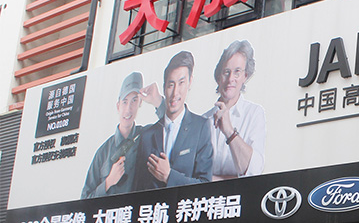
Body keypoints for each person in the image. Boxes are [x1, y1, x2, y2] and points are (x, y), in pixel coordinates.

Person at [137, 51, 214, 190]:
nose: (175, 93)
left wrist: (169, 176)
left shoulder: (201, 127)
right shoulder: (147, 136)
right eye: (171, 85)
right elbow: (138, 189)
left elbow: (205, 184)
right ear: (164, 87)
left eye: (181, 83)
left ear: (190, 82)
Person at [82, 69, 145, 197]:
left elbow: (171, 123)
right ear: (118, 106)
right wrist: (108, 182)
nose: (128, 109)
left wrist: (157, 100)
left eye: (134, 101)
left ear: (140, 103)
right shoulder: (103, 152)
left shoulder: (147, 137)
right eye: (125, 102)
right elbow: (85, 200)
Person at [209, 41, 265, 179]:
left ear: (245, 76)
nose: (230, 79)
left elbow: (253, 172)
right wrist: (231, 179)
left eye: (237, 72)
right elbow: (193, 177)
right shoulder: (203, 120)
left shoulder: (254, 113)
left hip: (240, 193)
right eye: (226, 72)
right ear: (219, 76)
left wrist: (230, 132)